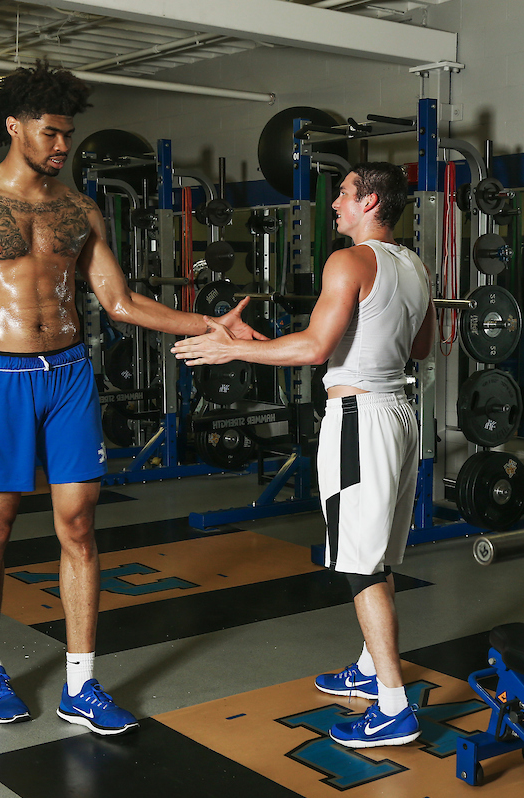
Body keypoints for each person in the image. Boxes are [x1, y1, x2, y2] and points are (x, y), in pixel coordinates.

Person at [0, 61, 263, 736]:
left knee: (79, 524)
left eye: (68, 133)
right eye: (51, 132)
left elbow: (119, 301)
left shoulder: (79, 209)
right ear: (14, 127)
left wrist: (208, 325)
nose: (64, 145)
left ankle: (82, 684)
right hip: (0, 377)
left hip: (69, 374)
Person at [172, 162, 436, 748]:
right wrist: (261, 343)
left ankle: (394, 706)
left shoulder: (348, 262)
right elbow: (417, 346)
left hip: (358, 420)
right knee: (376, 554)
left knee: (361, 564)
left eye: (343, 194)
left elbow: (317, 350)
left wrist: (229, 352)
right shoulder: (415, 265)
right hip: (399, 414)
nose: (335, 204)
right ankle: (368, 670)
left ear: (370, 201)